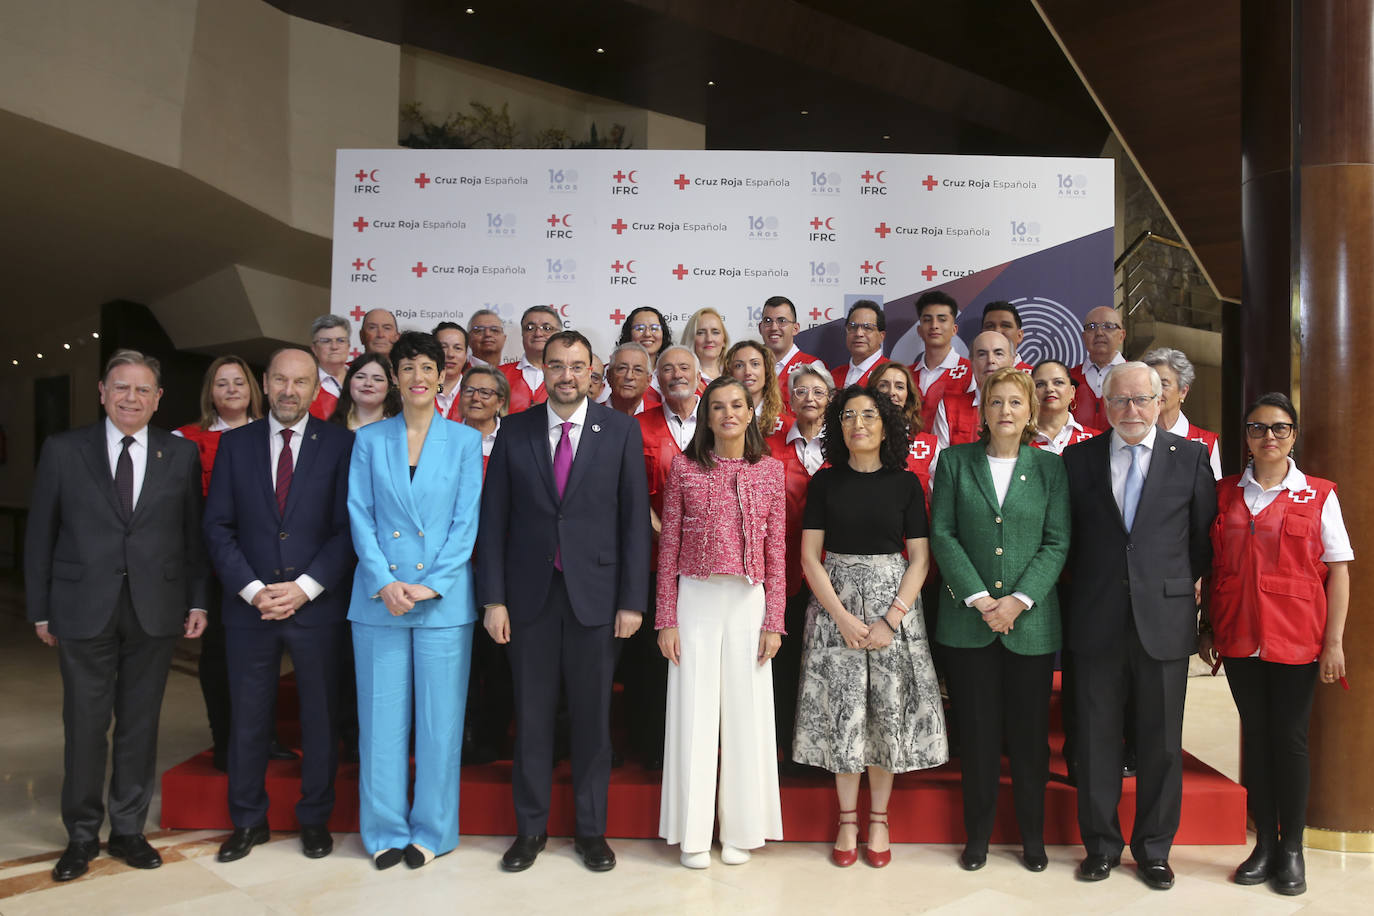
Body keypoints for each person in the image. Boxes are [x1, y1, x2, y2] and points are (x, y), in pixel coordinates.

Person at [26, 349, 210, 882]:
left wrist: (197, 600)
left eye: (142, 389)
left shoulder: (178, 454)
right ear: (103, 392)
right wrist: (40, 609)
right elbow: (41, 535)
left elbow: (190, 536)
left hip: (155, 610)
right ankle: (81, 834)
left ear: (157, 399)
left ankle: (128, 828)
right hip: (82, 609)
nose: (131, 397)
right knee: (84, 726)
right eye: (121, 388)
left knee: (138, 724)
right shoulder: (64, 450)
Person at [477, 329, 650, 874]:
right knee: (531, 718)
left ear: (591, 371)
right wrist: (493, 600)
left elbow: (633, 524)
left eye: (577, 366)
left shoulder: (619, 431)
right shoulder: (515, 430)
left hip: (597, 600)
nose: (567, 375)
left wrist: (632, 602)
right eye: (557, 365)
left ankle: (591, 831)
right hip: (528, 600)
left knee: (593, 720)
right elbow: (494, 522)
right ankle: (529, 830)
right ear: (542, 370)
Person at [1062, 361, 1216, 890]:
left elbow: (1202, 544)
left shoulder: (1192, 458)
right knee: (1096, 740)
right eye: (1120, 400)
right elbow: (1070, 541)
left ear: (1160, 402)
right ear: (1104, 405)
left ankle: (1154, 850)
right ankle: (1101, 846)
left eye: (1141, 400)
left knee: (1162, 744)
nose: (1131, 410)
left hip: (1164, 620)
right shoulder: (1077, 459)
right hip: (1095, 618)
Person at [202, 347, 355, 864]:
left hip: (316, 608)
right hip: (250, 609)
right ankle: (247, 821)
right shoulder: (235, 445)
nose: (291, 391)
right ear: (265, 384)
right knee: (247, 719)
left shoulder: (341, 444)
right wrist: (252, 589)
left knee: (320, 718)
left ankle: (315, 819)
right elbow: (217, 526)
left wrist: (306, 587)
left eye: (302, 382)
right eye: (281, 381)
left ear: (317, 389)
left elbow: (348, 530)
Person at [1200, 392, 1352, 896]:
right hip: (1240, 637)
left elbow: (1339, 572)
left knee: (1289, 740)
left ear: (1294, 435)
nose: (1269, 437)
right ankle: (1263, 843)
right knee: (1257, 740)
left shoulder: (1320, 494)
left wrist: (1334, 643)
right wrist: (1207, 629)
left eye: (1280, 429)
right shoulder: (1223, 493)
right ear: (1246, 436)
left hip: (1297, 639)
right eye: (1259, 428)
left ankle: (1292, 850)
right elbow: (1212, 565)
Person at [793, 386, 948, 868]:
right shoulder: (824, 482)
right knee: (843, 712)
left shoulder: (905, 485)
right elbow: (808, 557)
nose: (858, 424)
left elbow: (920, 557)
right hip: (833, 605)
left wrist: (892, 618)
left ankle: (878, 818)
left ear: (885, 425)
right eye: (847, 417)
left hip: (892, 604)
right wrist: (840, 616)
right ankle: (846, 820)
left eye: (868, 415)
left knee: (885, 712)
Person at [346, 331, 483, 869]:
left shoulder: (465, 441)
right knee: (380, 724)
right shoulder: (369, 440)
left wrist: (432, 584)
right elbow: (360, 515)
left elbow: (465, 521)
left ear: (443, 375)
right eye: (408, 368)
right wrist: (386, 582)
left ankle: (432, 831)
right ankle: (383, 832)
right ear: (396, 378)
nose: (419, 376)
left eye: (429, 366)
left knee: (439, 724)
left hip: (442, 602)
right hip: (380, 599)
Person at [930, 367, 1070, 873]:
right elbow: (942, 533)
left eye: (1015, 402)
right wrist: (978, 598)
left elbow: (1057, 541)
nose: (1005, 411)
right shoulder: (954, 461)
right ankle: (978, 838)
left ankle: (1033, 839)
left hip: (1029, 625)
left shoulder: (1051, 469)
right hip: (968, 624)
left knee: (1031, 740)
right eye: (996, 402)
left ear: (1031, 411)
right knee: (979, 736)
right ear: (982, 411)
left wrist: (1018, 601)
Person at [656, 376, 787, 868]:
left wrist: (774, 620)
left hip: (749, 601)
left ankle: (741, 830)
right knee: (693, 710)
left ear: (751, 413)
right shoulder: (685, 468)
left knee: (745, 712)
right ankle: (692, 833)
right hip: (696, 598)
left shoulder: (770, 471)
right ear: (705, 416)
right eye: (718, 407)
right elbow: (667, 546)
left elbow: (777, 549)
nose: (729, 413)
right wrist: (665, 618)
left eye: (738, 405)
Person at [173, 356, 265, 771]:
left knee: (267, 656)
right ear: (210, 391)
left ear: (252, 389)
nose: (231, 390)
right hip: (217, 566)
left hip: (269, 564)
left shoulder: (273, 433)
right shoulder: (187, 439)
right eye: (221, 383)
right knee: (220, 656)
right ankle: (225, 740)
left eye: (238, 382)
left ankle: (267, 738)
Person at [630, 345, 702, 770]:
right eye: (668, 368)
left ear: (699, 374)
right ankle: (652, 752)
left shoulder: (718, 420)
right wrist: (667, 535)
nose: (677, 374)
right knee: (653, 659)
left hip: (709, 566)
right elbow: (629, 492)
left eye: (685, 367)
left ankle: (697, 749)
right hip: (653, 559)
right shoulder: (635, 426)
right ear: (656, 378)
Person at [763, 364, 833, 762]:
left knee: (824, 660)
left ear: (830, 399)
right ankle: (783, 747)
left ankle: (820, 751)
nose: (810, 398)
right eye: (801, 391)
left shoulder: (843, 444)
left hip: (830, 569)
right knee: (784, 661)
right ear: (788, 398)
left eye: (818, 392)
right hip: (780, 567)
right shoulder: (768, 442)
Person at [1142, 347, 1222, 479]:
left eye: (1163, 384)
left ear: (1183, 391)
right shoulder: (1135, 435)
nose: (1155, 391)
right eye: (1150, 383)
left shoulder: (1205, 442)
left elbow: (1211, 494)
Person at [933, 330, 1015, 450]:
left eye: (998, 353)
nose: (990, 360)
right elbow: (939, 462)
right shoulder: (949, 407)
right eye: (982, 354)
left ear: (1012, 360)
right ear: (971, 362)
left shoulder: (1027, 405)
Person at [869, 361, 939, 499]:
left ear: (908, 397)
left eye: (899, 387)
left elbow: (940, 502)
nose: (891, 392)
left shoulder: (928, 446)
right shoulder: (859, 438)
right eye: (883, 385)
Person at [911, 291, 971, 433]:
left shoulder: (970, 371)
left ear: (954, 329)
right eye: (927, 320)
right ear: (919, 330)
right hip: (909, 453)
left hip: (953, 453)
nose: (934, 325)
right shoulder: (904, 375)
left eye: (942, 319)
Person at [1069, 307, 1126, 432]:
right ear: (1084, 337)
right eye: (1092, 327)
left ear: (1122, 336)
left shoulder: (1138, 377)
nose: (1099, 332)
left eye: (1108, 326)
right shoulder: (1068, 379)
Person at [499, 306, 560, 413]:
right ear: (522, 333)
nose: (538, 334)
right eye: (530, 328)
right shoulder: (499, 374)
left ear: (559, 334)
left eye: (547, 328)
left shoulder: (568, 376)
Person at [1031, 360, 1099, 453]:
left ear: (1072, 392)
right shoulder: (1016, 440)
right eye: (1040, 384)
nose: (1049, 389)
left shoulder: (1096, 440)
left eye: (1058, 382)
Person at [726, 339, 788, 436]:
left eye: (755, 364)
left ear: (766, 370)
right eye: (739, 365)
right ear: (730, 373)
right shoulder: (720, 422)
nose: (747, 372)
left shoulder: (786, 426)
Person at [327, 352, 401, 431]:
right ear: (349, 382)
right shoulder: (330, 429)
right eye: (360, 377)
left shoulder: (402, 428)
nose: (368, 383)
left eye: (377, 379)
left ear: (389, 387)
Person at [460, 363, 509, 477]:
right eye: (469, 390)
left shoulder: (513, 440)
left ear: (500, 402)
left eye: (485, 393)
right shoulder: (447, 438)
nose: (475, 398)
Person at [831, 300, 891, 389]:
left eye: (867, 328)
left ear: (881, 336)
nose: (859, 333)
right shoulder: (834, 375)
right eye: (853, 327)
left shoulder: (891, 373)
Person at [759, 295, 822, 378]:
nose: (774, 327)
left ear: (795, 329)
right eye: (768, 321)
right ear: (760, 328)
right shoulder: (750, 367)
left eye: (782, 321)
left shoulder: (811, 367)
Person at [309, 314, 351, 420]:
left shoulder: (362, 377)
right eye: (326, 341)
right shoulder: (307, 383)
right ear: (314, 349)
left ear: (348, 346)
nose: (334, 347)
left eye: (341, 340)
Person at [981, 301, 1034, 372]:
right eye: (990, 326)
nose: (997, 332)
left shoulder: (1034, 378)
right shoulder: (970, 376)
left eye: (1005, 325)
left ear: (1019, 336)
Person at [607, 341, 655, 415]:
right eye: (622, 368)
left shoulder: (662, 416)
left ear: (648, 380)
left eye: (638, 370)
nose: (629, 376)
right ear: (609, 376)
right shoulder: (590, 414)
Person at [434, 321, 470, 421]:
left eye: (457, 348)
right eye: (443, 347)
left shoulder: (476, 393)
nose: (450, 354)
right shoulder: (419, 390)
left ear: (466, 354)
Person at [683, 307, 730, 382]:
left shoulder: (735, 374)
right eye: (701, 333)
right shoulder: (682, 377)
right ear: (691, 339)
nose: (709, 339)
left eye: (715, 332)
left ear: (724, 340)